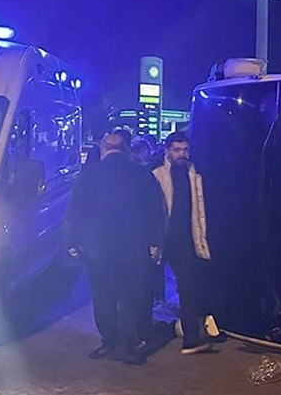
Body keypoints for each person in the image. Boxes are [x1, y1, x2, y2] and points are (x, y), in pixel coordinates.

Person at [63, 132, 164, 364]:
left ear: (103, 148)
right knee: (130, 295)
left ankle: (108, 341)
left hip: (98, 247)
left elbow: (74, 211)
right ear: (126, 149)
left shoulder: (90, 175)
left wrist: (71, 243)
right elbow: (154, 212)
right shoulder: (141, 175)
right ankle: (128, 343)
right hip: (133, 247)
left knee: (103, 295)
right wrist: (155, 242)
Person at [152, 131, 218, 355]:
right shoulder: (156, 174)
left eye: (185, 150)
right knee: (147, 289)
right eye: (177, 150)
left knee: (188, 289)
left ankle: (191, 338)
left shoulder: (194, 173)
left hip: (185, 241)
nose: (182, 154)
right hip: (160, 239)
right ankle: (142, 335)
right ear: (167, 151)